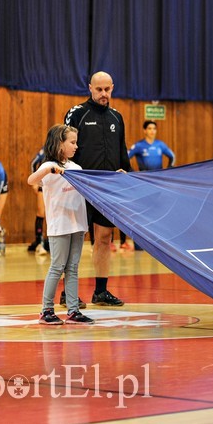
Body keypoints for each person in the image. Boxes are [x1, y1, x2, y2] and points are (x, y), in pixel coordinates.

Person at [64, 71, 130, 307]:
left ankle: (100, 291)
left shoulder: (116, 117)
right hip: (80, 186)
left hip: (107, 188)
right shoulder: (77, 113)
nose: (103, 94)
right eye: (99, 89)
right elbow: (63, 148)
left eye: (107, 89)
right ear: (90, 88)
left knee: (104, 237)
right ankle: (67, 292)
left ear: (112, 88)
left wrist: (126, 174)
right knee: (75, 238)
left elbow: (122, 151)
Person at [28, 125, 94, 325]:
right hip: (60, 225)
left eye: (76, 142)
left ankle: (73, 311)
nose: (76, 146)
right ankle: (46, 310)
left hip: (78, 224)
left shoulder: (76, 168)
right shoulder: (48, 167)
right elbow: (31, 180)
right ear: (59, 143)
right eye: (72, 142)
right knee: (57, 267)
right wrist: (49, 169)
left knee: (73, 267)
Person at [123, 120, 176, 251]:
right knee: (141, 213)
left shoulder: (160, 145)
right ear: (145, 130)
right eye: (150, 128)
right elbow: (126, 157)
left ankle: (157, 243)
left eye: (154, 129)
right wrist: (132, 173)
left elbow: (172, 156)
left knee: (158, 212)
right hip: (142, 184)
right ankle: (139, 244)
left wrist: (168, 171)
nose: (152, 131)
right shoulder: (139, 146)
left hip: (158, 183)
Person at [28, 148, 50, 255]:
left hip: (55, 185)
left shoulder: (62, 151)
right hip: (43, 184)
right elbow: (33, 163)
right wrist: (35, 182)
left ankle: (52, 242)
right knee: (41, 212)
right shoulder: (45, 151)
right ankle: (39, 243)